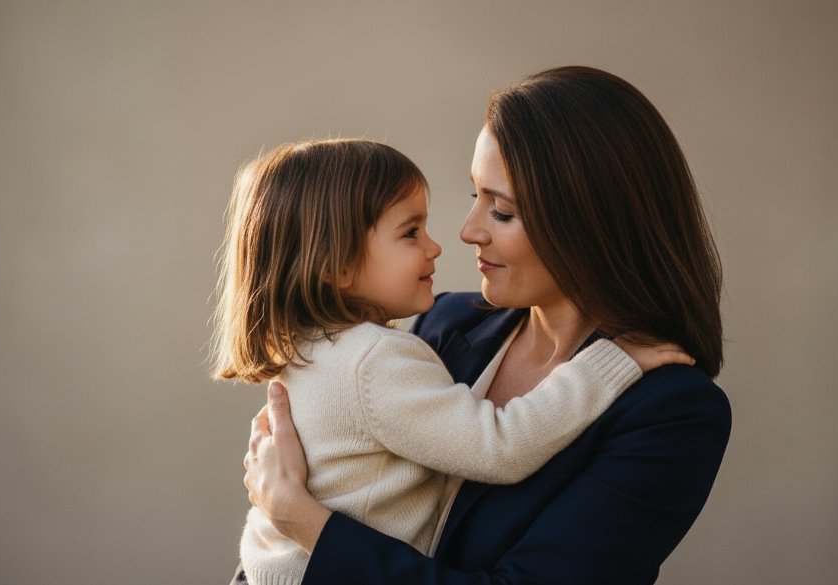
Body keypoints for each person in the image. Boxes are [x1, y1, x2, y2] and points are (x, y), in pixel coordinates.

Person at [239, 66, 732, 584]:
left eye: (500, 211)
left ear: (587, 224)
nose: (468, 230)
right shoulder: (442, 325)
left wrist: (306, 525)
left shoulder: (671, 411)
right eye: (476, 195)